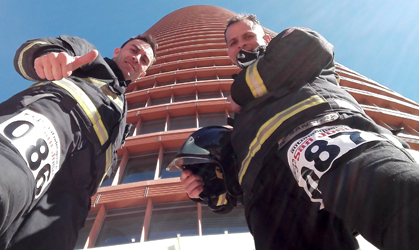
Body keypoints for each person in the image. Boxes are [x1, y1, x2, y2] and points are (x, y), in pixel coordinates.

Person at [178, 14, 419, 250]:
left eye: (248, 36)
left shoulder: (289, 44)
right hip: (266, 193)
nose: (241, 44)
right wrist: (205, 190)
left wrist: (240, 91)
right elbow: (232, 187)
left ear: (267, 39)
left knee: (400, 202)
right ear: (230, 53)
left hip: (322, 133)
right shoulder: (237, 118)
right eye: (233, 42)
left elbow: (309, 45)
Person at [0, 34, 156, 250]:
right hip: (53, 121)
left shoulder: (122, 117)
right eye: (134, 50)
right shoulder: (89, 57)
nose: (136, 58)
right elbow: (42, 49)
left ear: (143, 72)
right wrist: (47, 56)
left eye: (143, 59)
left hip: (71, 196)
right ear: (117, 51)